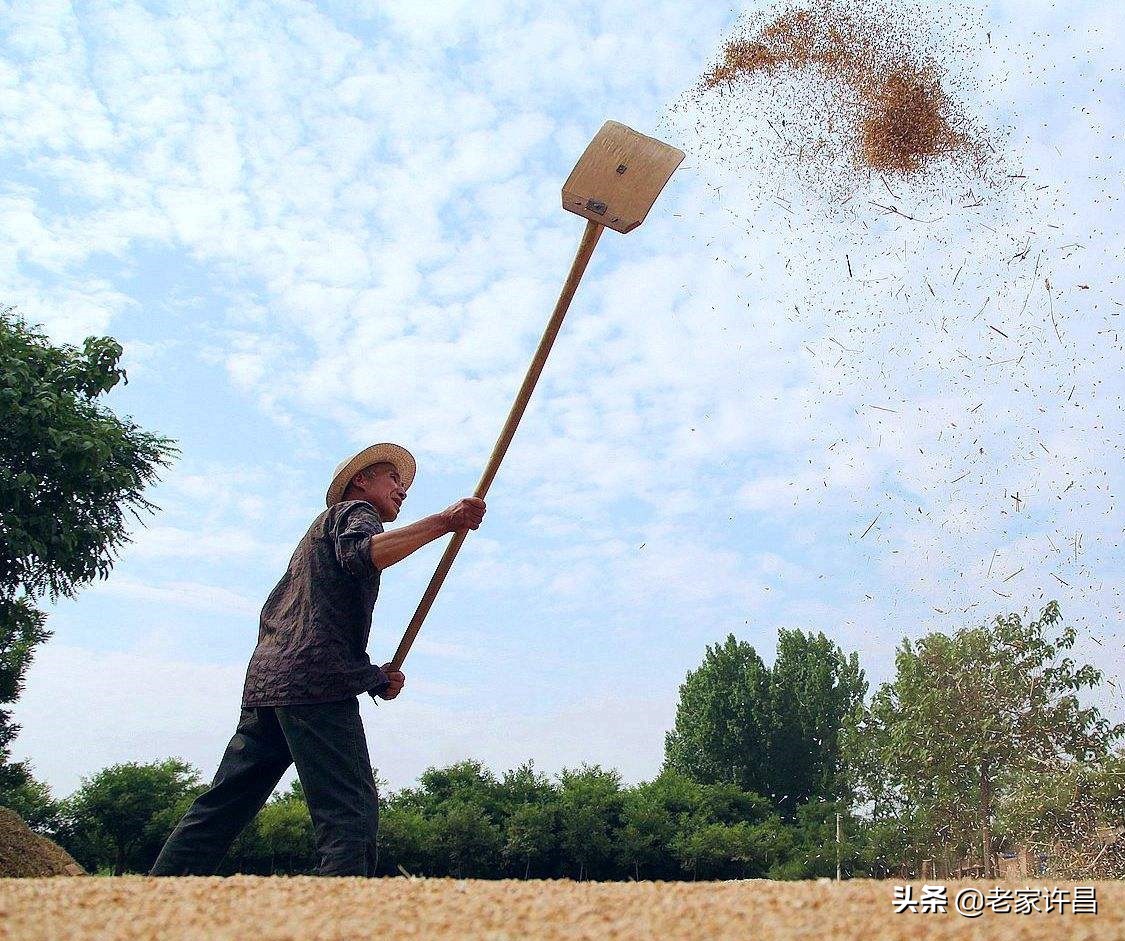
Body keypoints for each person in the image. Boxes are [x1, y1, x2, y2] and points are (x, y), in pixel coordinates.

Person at [149, 442, 486, 876]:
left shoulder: (313, 540)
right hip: (315, 688)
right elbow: (362, 555)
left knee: (223, 807)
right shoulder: (354, 513)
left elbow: (310, 628)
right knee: (350, 815)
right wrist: (446, 521)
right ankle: (338, 920)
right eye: (394, 479)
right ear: (361, 481)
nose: (403, 490)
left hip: (270, 685)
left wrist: (372, 677)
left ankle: (153, 900)